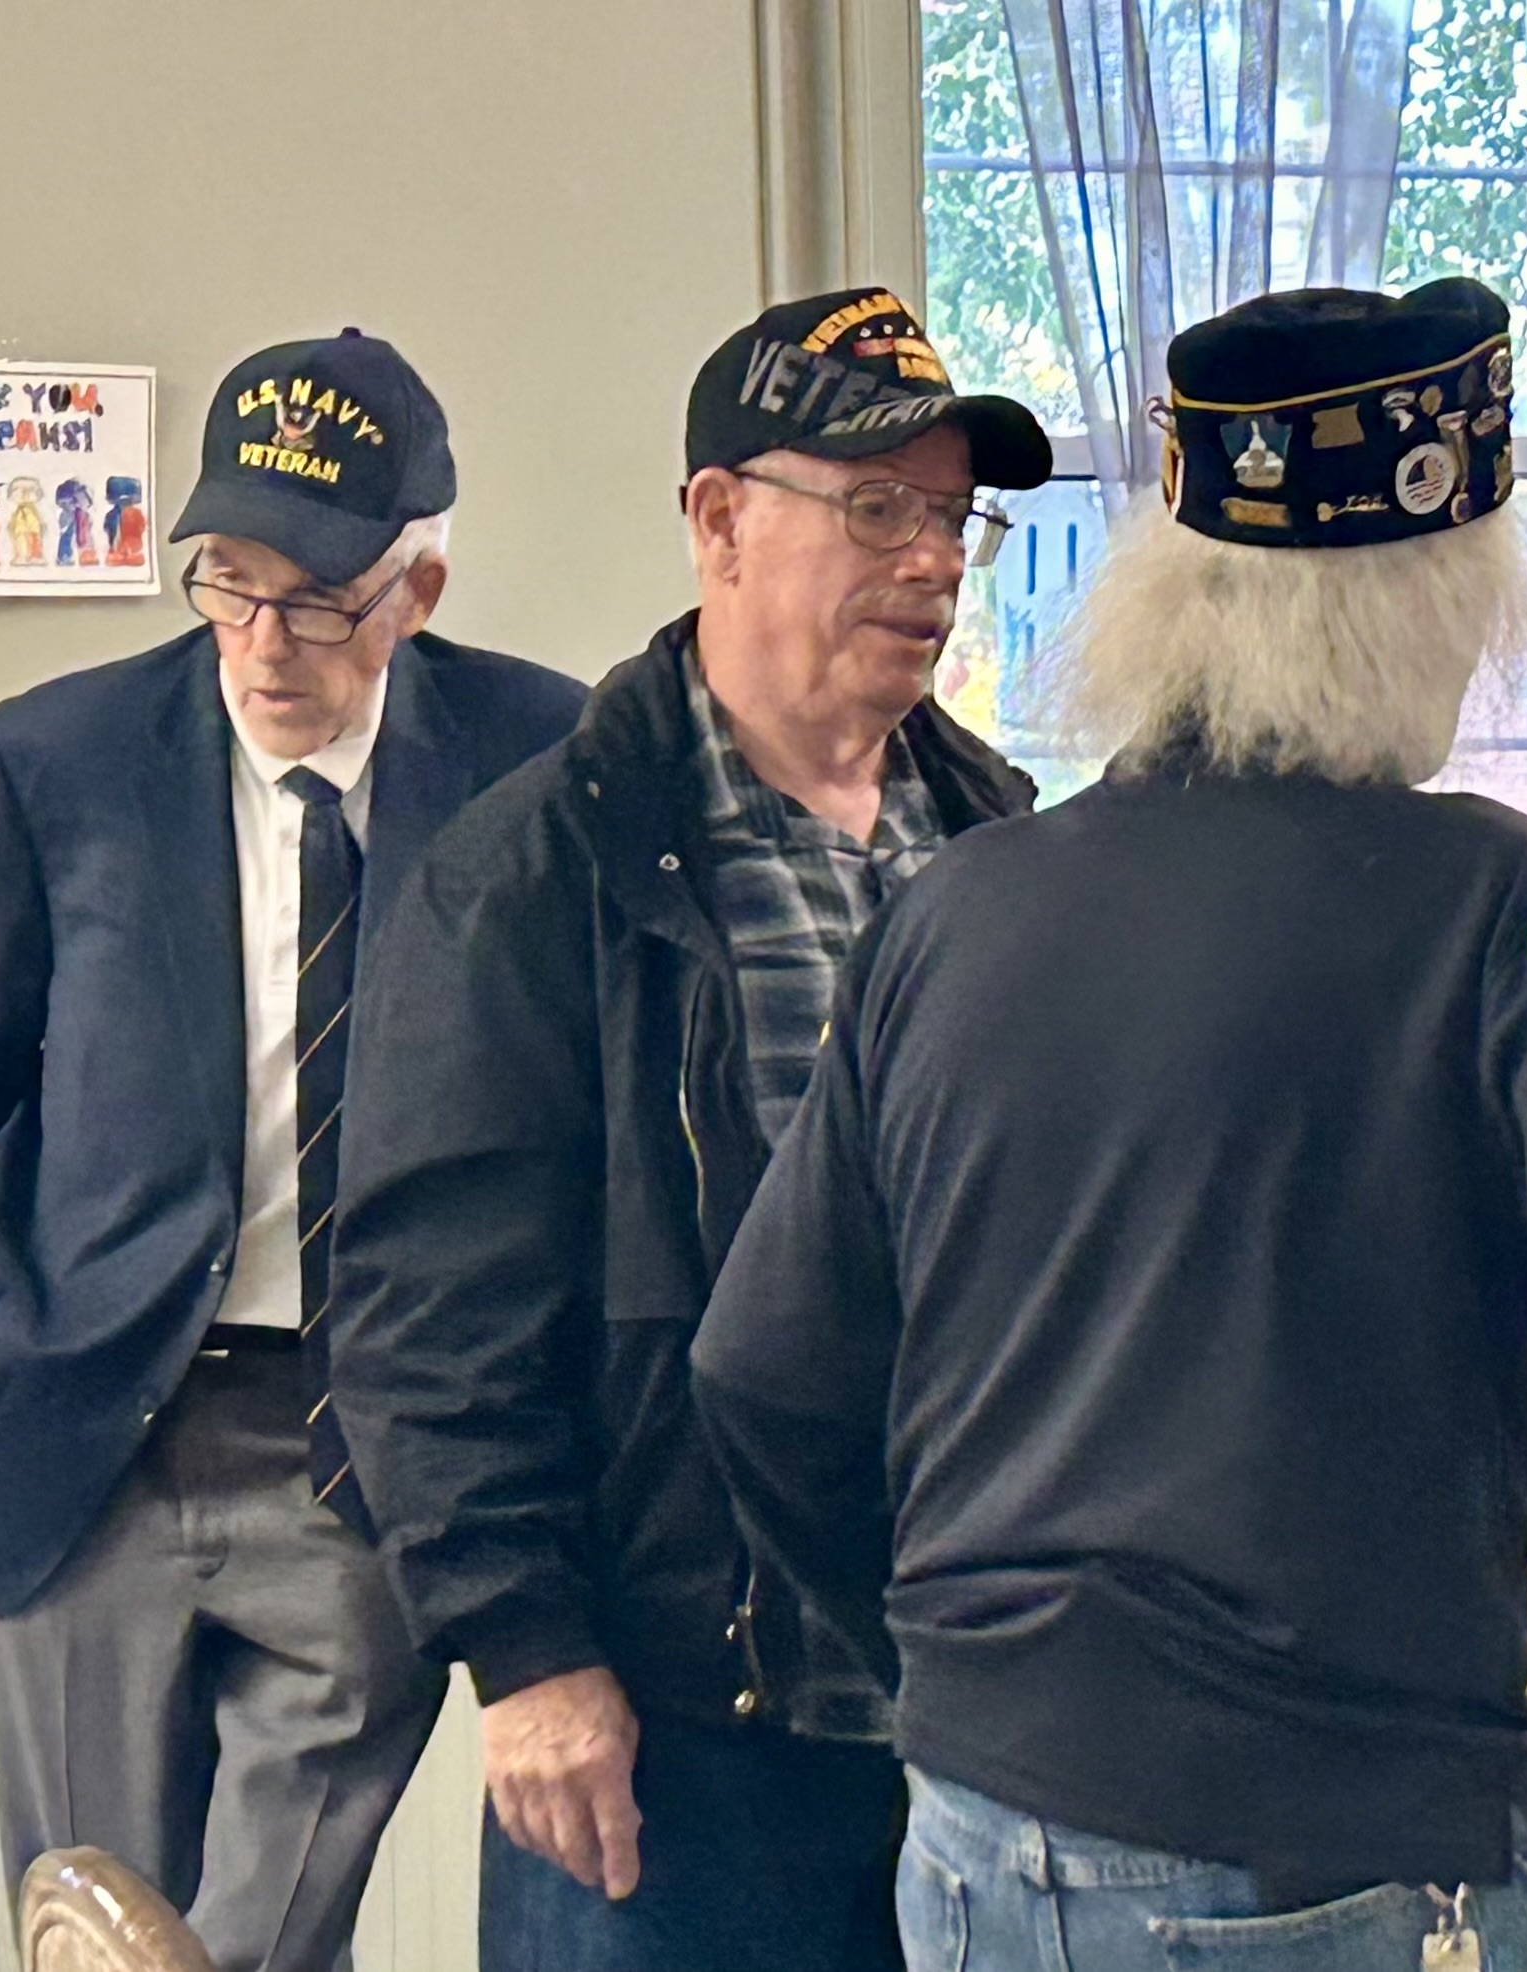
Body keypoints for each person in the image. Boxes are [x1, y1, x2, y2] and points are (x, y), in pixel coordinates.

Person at [686, 278, 1527, 1972]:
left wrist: (965, 1668)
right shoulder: (1499, 912)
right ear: (1435, 602)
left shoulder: (959, 910)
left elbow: (761, 1374)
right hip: (1347, 1864)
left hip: (977, 1848)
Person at [325, 289, 1053, 1972]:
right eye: (876, 508)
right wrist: (526, 1652)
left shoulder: (1007, 852)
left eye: (953, 516)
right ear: (718, 520)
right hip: (680, 1723)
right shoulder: (536, 872)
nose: (932, 559)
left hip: (990, 1701)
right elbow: (430, 1317)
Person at [0, 328, 585, 1972]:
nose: (263, 643)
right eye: (226, 581)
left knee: (251, 1932)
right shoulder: (54, 765)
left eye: (315, 599)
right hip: (89, 1436)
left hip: (364, 1437)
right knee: (83, 1916)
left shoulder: (542, 764)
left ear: (418, 591)